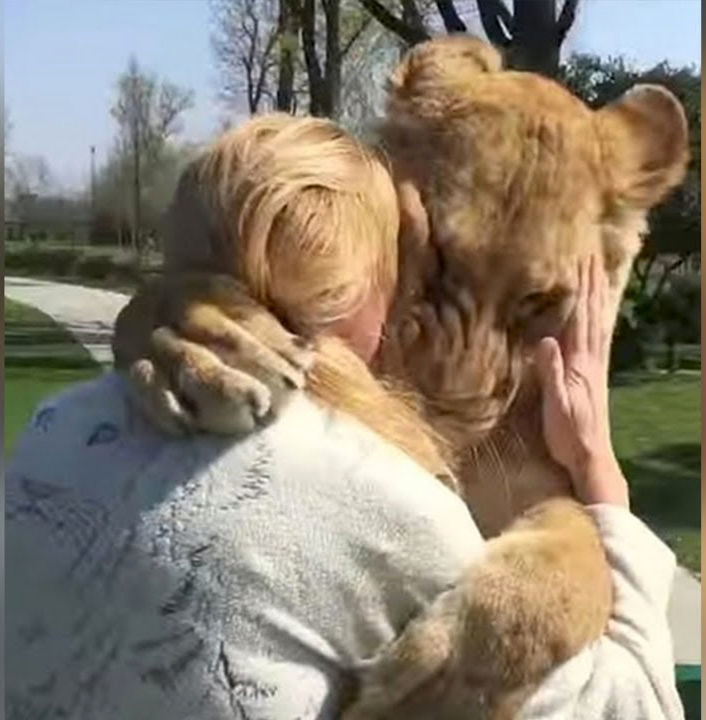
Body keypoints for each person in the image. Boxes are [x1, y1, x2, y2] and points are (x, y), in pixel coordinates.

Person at [6, 115, 683, 720]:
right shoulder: (383, 500)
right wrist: (601, 479)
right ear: (361, 283)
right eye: (404, 258)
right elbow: (637, 706)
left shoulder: (51, 430)